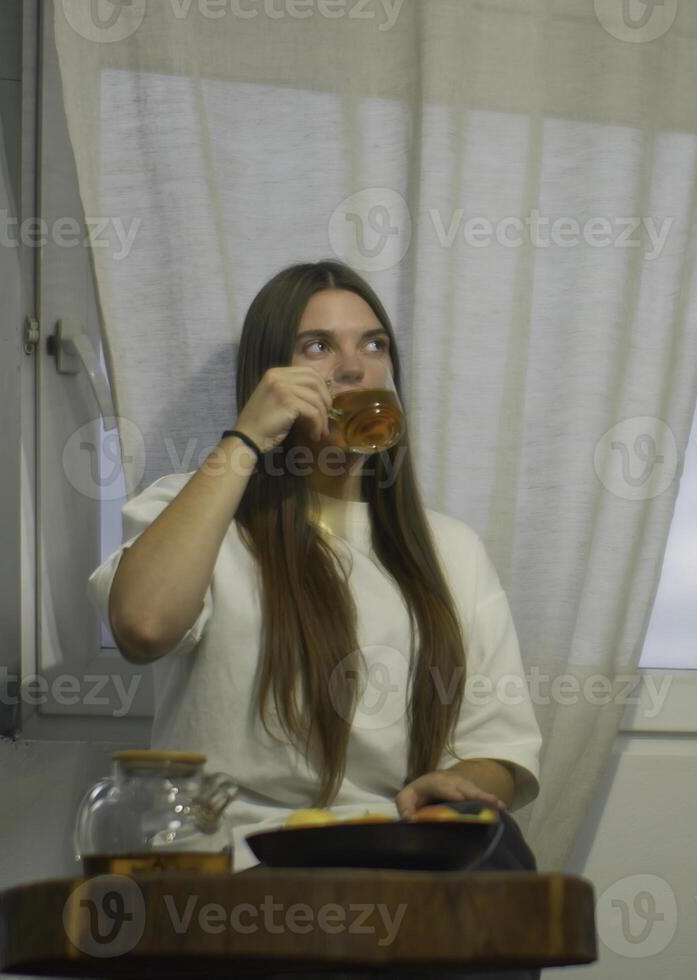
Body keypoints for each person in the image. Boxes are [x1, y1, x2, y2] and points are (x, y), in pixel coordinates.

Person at [87, 260, 543, 978]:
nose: (353, 368)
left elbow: (500, 744)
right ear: (271, 374)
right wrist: (243, 441)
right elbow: (143, 624)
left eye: (374, 345)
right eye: (318, 347)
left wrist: (450, 788)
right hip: (241, 875)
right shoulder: (199, 512)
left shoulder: (450, 550)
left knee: (497, 852)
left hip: (396, 865)